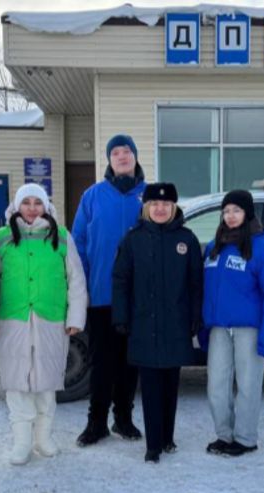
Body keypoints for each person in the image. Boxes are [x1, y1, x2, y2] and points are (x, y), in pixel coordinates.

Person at [0, 183, 87, 464]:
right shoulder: (2, 237)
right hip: (13, 321)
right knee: (17, 383)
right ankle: (22, 442)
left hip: (51, 320)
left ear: (47, 207)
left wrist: (76, 317)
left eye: (37, 202)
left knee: (47, 382)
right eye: (26, 202)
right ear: (16, 206)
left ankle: (43, 438)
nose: (32, 208)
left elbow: (76, 279)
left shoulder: (62, 237)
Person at [112, 183, 203, 463]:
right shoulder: (133, 239)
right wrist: (121, 317)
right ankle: (153, 445)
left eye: (165, 205)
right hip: (143, 324)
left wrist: (195, 318)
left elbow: (196, 284)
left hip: (175, 324)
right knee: (150, 385)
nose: (160, 209)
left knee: (170, 383)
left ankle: (167, 438)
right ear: (146, 207)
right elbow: (120, 280)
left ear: (174, 207)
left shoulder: (186, 240)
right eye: (154, 204)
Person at [72, 134, 146, 446]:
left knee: (130, 362)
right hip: (101, 295)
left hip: (139, 297)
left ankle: (124, 419)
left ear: (135, 156)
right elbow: (78, 245)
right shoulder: (92, 196)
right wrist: (82, 288)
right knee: (103, 363)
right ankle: (97, 422)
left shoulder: (150, 196)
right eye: (115, 152)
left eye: (126, 150)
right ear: (109, 160)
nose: (121, 156)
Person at [201, 190, 264, 456]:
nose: (230, 216)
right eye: (226, 211)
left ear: (247, 213)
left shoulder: (260, 248)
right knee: (216, 385)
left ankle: (245, 438)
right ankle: (224, 436)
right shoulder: (214, 247)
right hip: (219, 328)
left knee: (248, 385)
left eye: (236, 210)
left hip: (249, 328)